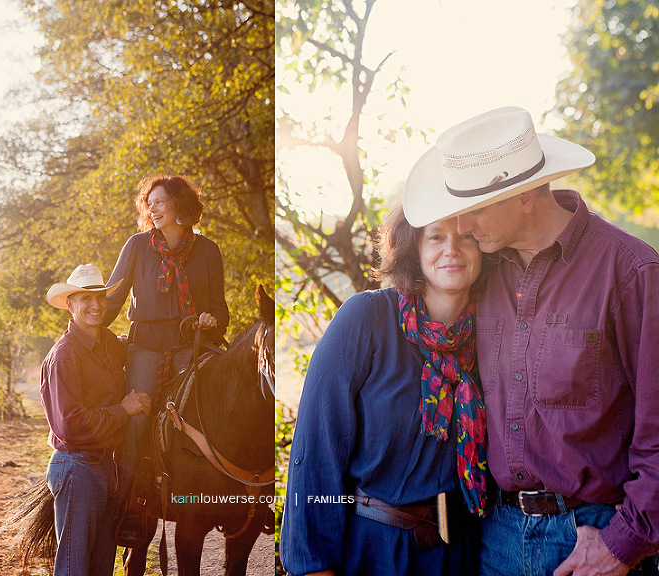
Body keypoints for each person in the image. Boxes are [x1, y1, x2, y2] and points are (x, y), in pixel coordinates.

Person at [403, 106, 659, 576]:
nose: (461, 228)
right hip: (498, 535)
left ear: (523, 196)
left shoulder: (631, 272)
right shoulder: (482, 272)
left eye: (475, 209)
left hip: (593, 537)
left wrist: (622, 545)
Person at [280, 207, 490, 575]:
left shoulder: (494, 333)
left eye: (466, 236)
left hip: (463, 553)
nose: (452, 249)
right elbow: (317, 449)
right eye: (436, 236)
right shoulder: (366, 318)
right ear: (415, 249)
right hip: (375, 550)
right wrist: (315, 566)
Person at [103, 174, 230, 574]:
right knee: (138, 419)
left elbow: (221, 311)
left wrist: (211, 320)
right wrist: (82, 331)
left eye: (160, 202)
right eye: (149, 203)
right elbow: (111, 299)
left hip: (190, 345)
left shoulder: (208, 251)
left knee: (212, 410)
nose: (153, 209)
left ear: (180, 205)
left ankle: (237, 492)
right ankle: (126, 512)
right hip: (146, 347)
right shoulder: (138, 246)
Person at [41, 263, 152, 576]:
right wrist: (124, 410)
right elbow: (70, 425)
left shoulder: (108, 345)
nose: (95, 305)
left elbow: (134, 348)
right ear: (71, 306)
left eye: (100, 298)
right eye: (85, 299)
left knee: (101, 568)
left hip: (105, 468)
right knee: (75, 568)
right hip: (77, 467)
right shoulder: (65, 355)